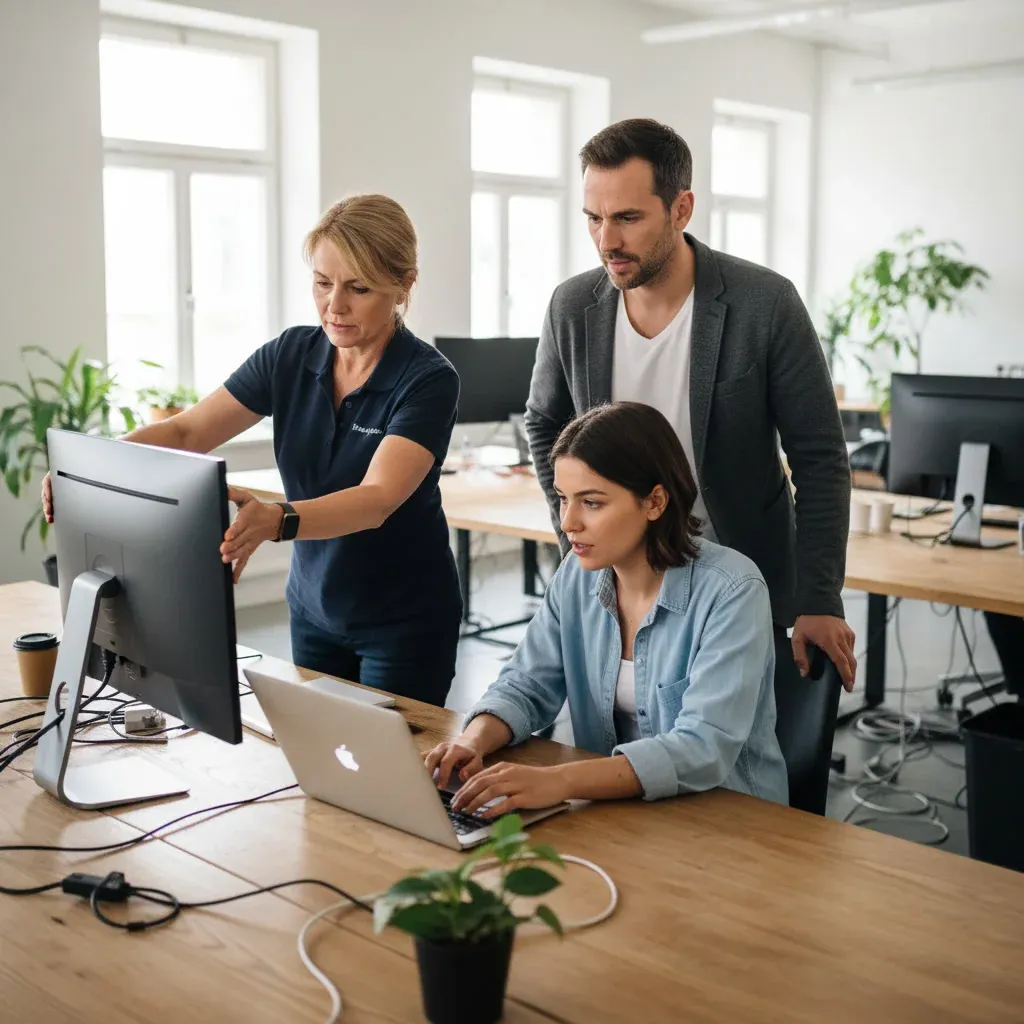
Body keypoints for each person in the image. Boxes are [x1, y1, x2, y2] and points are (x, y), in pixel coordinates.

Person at [43, 195, 462, 707]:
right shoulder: (289, 355)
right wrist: (86, 468)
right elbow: (185, 433)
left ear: (404, 285)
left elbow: (376, 500)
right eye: (323, 283)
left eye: (359, 288)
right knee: (322, 769)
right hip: (314, 610)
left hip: (404, 621)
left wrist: (276, 521)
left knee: (398, 778)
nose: (335, 305)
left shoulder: (427, 379)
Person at [524, 118, 856, 692]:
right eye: (594, 218)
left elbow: (821, 457)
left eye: (627, 218)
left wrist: (818, 595)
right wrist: (577, 538)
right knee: (622, 750)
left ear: (681, 209)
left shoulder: (764, 303)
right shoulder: (572, 306)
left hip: (744, 578)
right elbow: (545, 423)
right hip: (623, 584)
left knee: (735, 764)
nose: (607, 240)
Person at [425, 402, 789, 816]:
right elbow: (526, 685)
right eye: (564, 499)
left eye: (592, 502)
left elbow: (702, 748)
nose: (568, 522)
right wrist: (471, 742)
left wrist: (558, 781)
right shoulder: (577, 576)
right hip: (611, 807)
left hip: (728, 817)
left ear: (654, 502)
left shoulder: (733, 590)